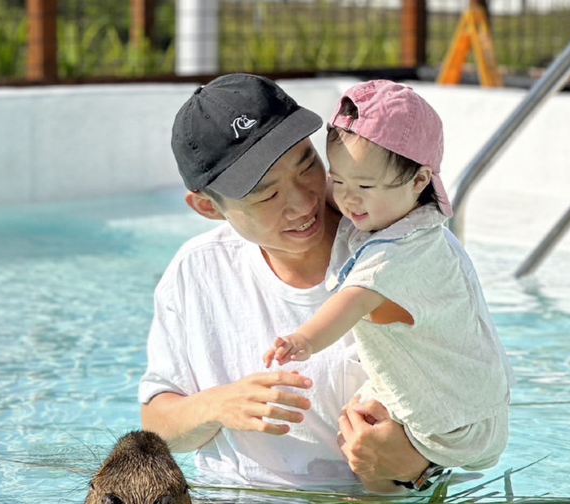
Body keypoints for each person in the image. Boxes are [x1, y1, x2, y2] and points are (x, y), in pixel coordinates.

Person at [138, 73, 434, 492]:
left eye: (306, 165)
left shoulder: (405, 251)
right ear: (207, 207)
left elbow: (480, 404)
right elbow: (157, 428)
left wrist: (415, 466)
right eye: (266, 194)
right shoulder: (197, 271)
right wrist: (220, 405)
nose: (302, 202)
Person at [263, 80, 512, 492]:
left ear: (419, 181)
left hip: (455, 426)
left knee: (359, 433)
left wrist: (302, 339)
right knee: (362, 425)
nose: (347, 200)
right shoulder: (407, 216)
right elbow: (346, 186)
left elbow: (353, 301)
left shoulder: (399, 255)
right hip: (468, 401)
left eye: (364, 187)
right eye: (339, 180)